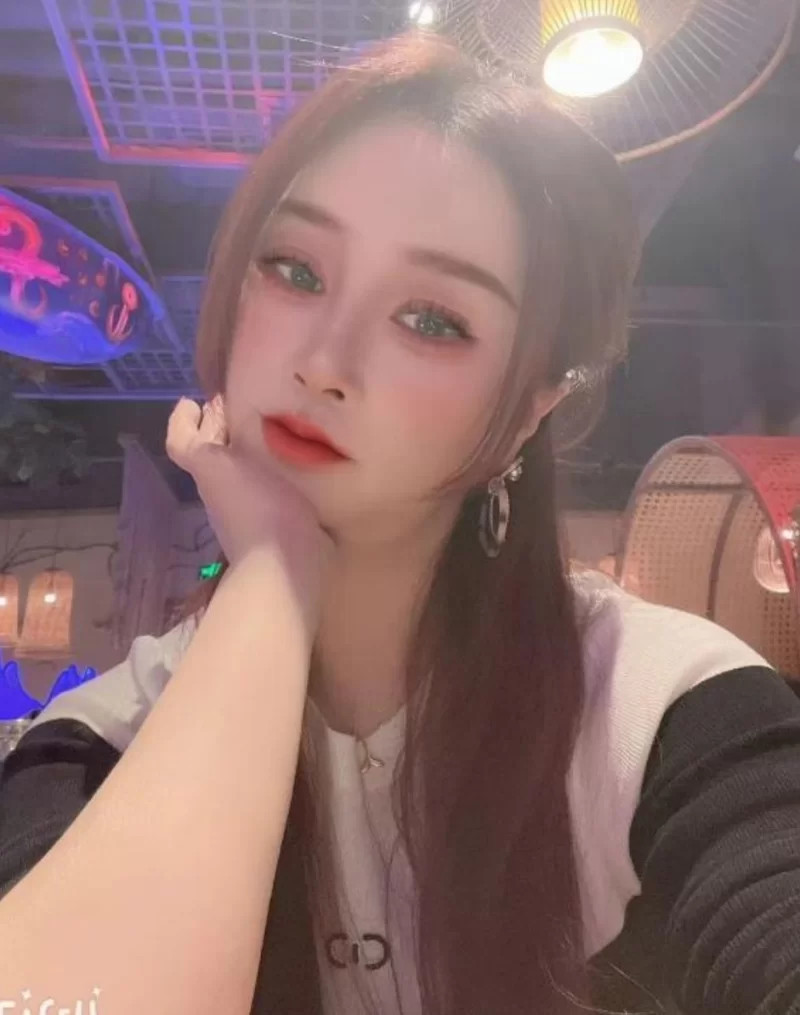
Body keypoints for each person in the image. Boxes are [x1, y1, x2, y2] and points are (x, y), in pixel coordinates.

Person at [1, 32, 799, 1015]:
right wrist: (272, 583)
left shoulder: (654, 709)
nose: (324, 360)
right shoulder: (101, 738)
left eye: (431, 320)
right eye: (294, 269)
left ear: (525, 412)